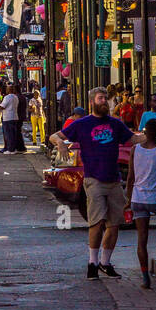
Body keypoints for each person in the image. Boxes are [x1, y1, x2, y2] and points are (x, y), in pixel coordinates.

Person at [50, 85, 145, 279]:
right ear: (92, 102)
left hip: (114, 180)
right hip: (93, 179)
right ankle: (92, 263)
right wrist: (60, 143)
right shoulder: (82, 124)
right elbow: (54, 136)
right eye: (101, 98)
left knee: (115, 224)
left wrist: (150, 134)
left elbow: (133, 139)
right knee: (97, 222)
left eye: (105, 99)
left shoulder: (115, 123)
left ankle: (105, 262)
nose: (104, 102)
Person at [126, 117, 156, 288]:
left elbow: (130, 177)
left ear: (145, 133)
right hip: (155, 199)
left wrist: (128, 200)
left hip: (137, 199)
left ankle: (145, 277)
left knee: (142, 240)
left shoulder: (134, 150)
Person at [0, 81, 21, 154]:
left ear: (9, 90)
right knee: (13, 134)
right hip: (14, 116)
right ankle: (13, 148)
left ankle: (10, 149)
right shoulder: (15, 97)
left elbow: (2, 106)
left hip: (8, 118)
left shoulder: (7, 97)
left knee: (9, 134)